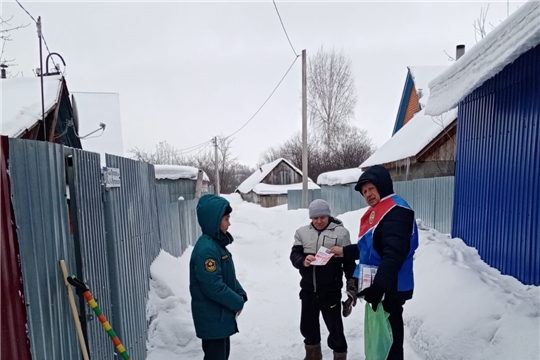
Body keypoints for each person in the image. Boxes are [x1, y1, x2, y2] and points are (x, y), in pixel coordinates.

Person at [330, 165, 418, 360]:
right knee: (382, 336)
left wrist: (379, 287)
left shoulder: (396, 211)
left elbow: (394, 255)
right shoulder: (380, 210)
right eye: (364, 192)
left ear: (383, 185)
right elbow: (369, 248)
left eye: (371, 189)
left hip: (391, 287)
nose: (368, 194)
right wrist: (344, 252)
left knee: (390, 337)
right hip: (382, 285)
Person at [290, 199, 357, 360]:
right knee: (308, 327)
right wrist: (302, 261)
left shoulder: (341, 233)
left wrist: (351, 283)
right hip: (308, 290)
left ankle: (340, 355)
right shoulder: (302, 233)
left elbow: (348, 262)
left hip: (330, 291)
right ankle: (313, 355)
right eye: (315, 218)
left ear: (328, 215)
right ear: (310, 218)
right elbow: (294, 255)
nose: (319, 221)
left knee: (335, 329)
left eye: (322, 217)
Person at [189, 194, 247, 360]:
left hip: (219, 317)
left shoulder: (215, 244)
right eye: (226, 219)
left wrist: (240, 293)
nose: (229, 223)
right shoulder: (207, 250)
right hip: (212, 318)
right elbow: (214, 287)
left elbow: (227, 276)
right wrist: (237, 302)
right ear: (214, 220)